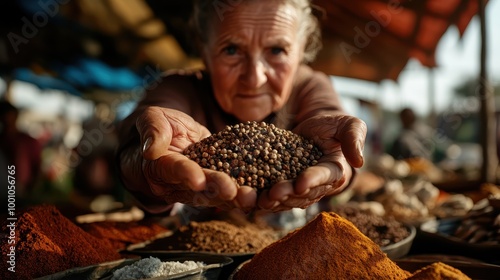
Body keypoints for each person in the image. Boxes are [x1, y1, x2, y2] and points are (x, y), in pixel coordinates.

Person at [116, 0, 367, 215]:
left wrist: (341, 158)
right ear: (204, 51)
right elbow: (136, 140)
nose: (255, 78)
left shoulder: (309, 86)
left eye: (277, 50)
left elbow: (330, 123)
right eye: (232, 50)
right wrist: (144, 162)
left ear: (301, 52)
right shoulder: (179, 88)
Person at [0, 100, 42, 204]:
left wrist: (30, 191)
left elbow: (37, 167)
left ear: (16, 116)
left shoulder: (28, 141)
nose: (7, 120)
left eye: (9, 116)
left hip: (21, 192)